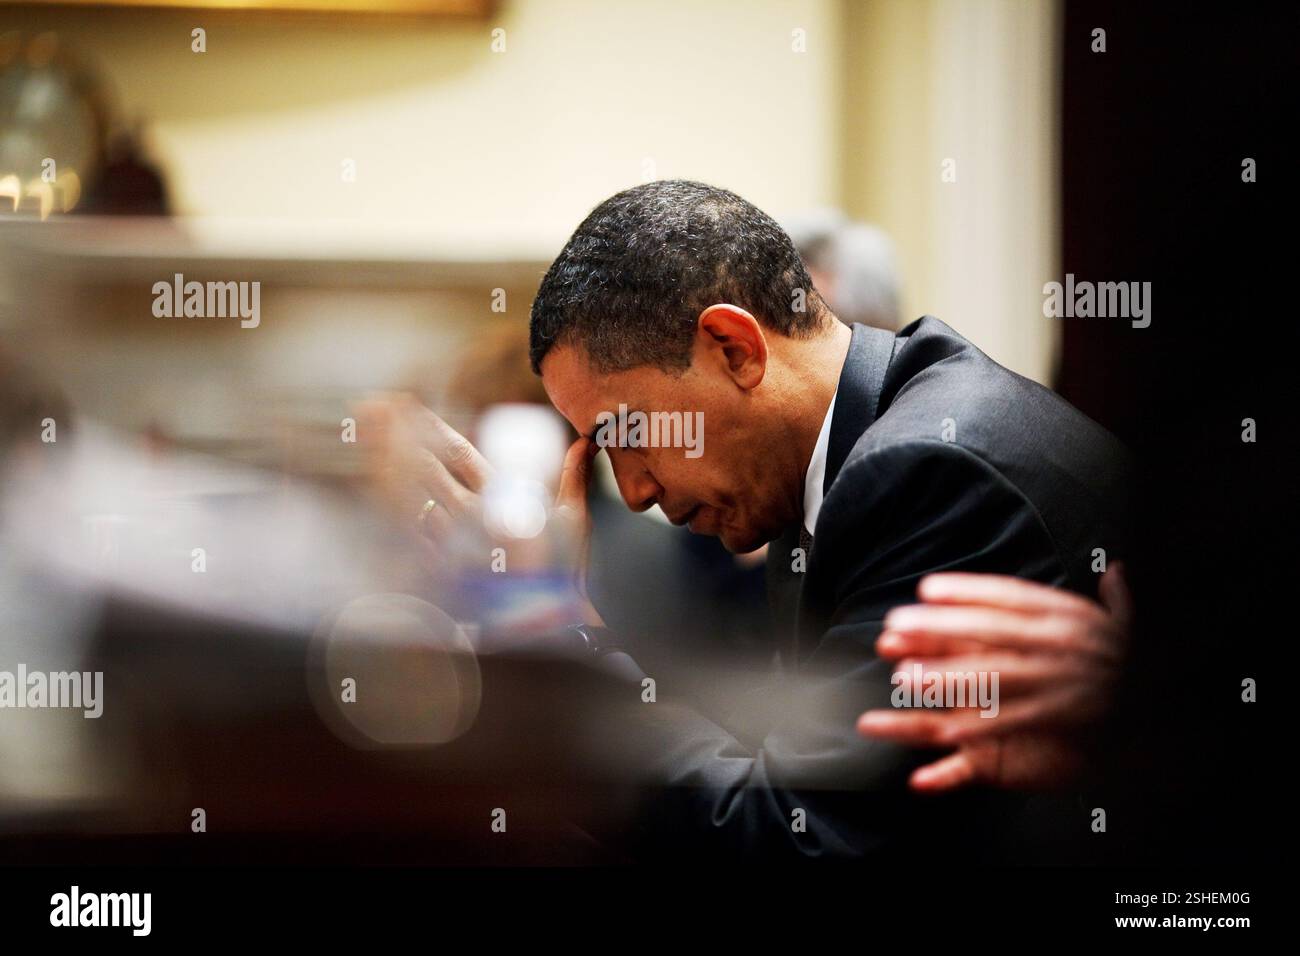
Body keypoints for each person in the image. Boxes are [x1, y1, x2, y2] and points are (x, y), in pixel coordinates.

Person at [370, 180, 1132, 859]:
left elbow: (799, 836)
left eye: (627, 435)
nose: (631, 491)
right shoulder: (829, 461)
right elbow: (784, 770)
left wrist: (552, 634)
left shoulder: (926, 470)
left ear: (734, 348)